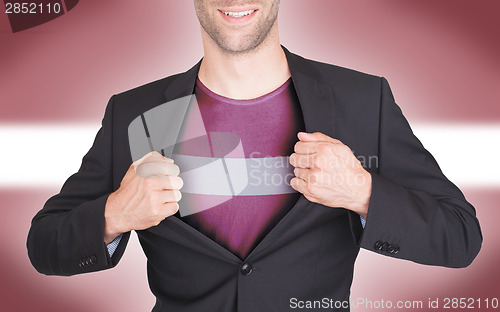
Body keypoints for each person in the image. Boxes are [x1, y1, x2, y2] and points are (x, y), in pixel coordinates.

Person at [27, 1, 482, 311]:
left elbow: (460, 237)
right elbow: (44, 245)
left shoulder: (362, 100)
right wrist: (114, 214)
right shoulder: (135, 112)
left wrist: (363, 192)